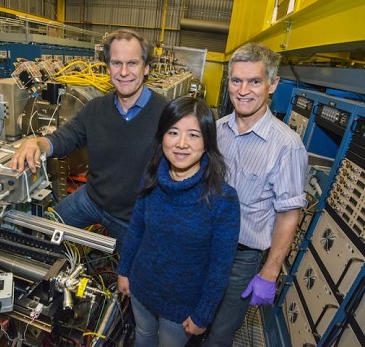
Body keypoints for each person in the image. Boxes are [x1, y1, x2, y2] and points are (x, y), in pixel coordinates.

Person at [10, 29, 168, 252]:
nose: (123, 72)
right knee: (43, 233)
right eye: (116, 63)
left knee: (136, 276)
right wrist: (36, 143)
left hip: (132, 215)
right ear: (108, 67)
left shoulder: (166, 114)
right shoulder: (96, 109)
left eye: (132, 63)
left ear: (146, 68)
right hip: (92, 199)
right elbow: (64, 138)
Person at [202, 42, 308, 346]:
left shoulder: (286, 146)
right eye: (236, 80)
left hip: (241, 258)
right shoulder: (216, 131)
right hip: (204, 245)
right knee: (191, 320)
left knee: (220, 333)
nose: (243, 90)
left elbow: (288, 213)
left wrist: (270, 271)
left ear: (272, 85)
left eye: (254, 81)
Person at [116, 96, 241, 347]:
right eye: (173, 132)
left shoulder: (222, 200)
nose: (182, 144)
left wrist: (203, 314)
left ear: (207, 143)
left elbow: (219, 268)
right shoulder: (152, 178)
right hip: (141, 287)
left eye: (194, 135)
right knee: (143, 335)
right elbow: (137, 229)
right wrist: (124, 271)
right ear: (162, 136)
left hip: (181, 307)